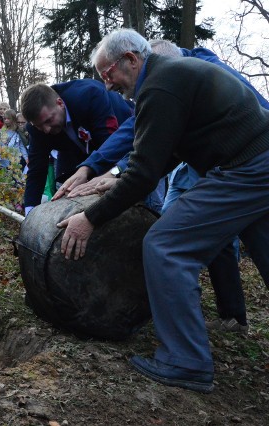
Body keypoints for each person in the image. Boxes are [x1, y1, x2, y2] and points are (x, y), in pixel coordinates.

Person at [58, 28, 269, 394]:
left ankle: (185, 360)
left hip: (247, 168)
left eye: (108, 74)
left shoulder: (159, 85)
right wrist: (116, 177)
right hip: (259, 162)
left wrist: (89, 218)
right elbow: (166, 149)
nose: (107, 86)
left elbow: (144, 173)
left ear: (131, 59)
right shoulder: (172, 76)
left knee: (165, 245)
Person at [20, 81, 132, 215]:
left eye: (48, 121)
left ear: (60, 103)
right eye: (39, 126)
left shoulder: (88, 96)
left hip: (128, 144)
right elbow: (36, 170)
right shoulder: (38, 127)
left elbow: (110, 145)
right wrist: (30, 212)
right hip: (79, 157)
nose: (46, 130)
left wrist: (105, 175)